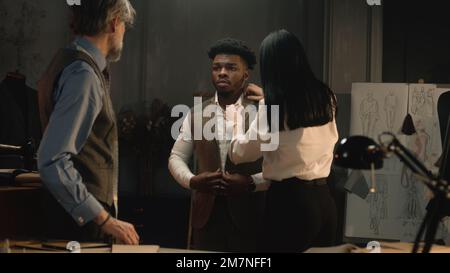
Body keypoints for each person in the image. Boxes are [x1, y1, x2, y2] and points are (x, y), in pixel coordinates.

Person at [37, 0, 139, 244]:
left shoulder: (68, 61)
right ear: (114, 23)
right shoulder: (83, 74)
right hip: (80, 229)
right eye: (124, 24)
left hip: (75, 222)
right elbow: (52, 159)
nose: (124, 31)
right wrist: (104, 220)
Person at [228, 29, 338, 252]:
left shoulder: (272, 108)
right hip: (325, 201)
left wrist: (235, 118)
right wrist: (268, 99)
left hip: (290, 205)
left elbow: (239, 154)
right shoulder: (325, 96)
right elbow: (297, 135)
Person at [168, 38, 269, 252]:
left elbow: (278, 163)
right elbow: (176, 157)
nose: (222, 72)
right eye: (217, 67)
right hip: (207, 218)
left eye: (231, 67)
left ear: (245, 74)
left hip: (252, 216)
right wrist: (193, 181)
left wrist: (251, 182)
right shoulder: (196, 113)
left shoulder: (263, 111)